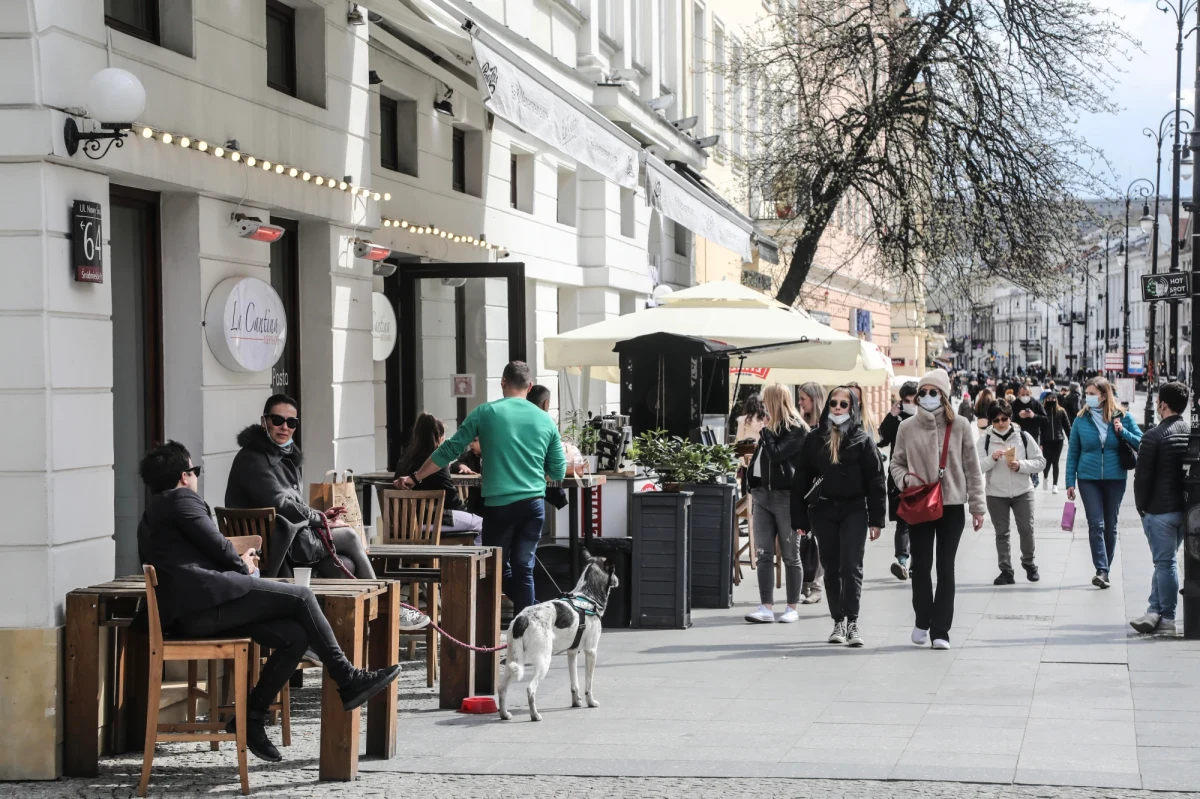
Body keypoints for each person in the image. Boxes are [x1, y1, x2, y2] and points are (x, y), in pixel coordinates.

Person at [137, 441, 402, 763]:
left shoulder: (154, 511)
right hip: (205, 609)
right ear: (183, 476)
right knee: (303, 596)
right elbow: (219, 549)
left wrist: (237, 562)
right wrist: (245, 565)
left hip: (195, 610)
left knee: (295, 635)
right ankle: (347, 679)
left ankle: (251, 717)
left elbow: (200, 553)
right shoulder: (183, 500)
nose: (195, 478)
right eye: (194, 471)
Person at [398, 361, 566, 616]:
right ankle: (529, 630)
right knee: (525, 568)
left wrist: (416, 477)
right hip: (533, 504)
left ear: (503, 383)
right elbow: (558, 472)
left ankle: (510, 624)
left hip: (499, 506)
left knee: (496, 566)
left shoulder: (485, 412)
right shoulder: (545, 420)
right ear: (530, 387)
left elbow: (449, 450)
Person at [226, 395, 378, 582]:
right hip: (275, 546)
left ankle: (334, 610)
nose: (285, 427)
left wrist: (320, 516)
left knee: (344, 565)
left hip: (289, 540)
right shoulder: (252, 459)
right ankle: (386, 603)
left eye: (291, 422)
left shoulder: (285, 456)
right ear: (264, 421)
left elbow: (291, 506)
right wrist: (320, 519)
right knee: (349, 535)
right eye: (278, 420)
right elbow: (281, 504)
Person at [890, 369, 986, 651]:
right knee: (920, 567)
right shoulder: (906, 427)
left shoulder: (960, 425)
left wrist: (978, 507)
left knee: (946, 567)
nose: (928, 397)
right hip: (920, 503)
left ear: (944, 395)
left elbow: (973, 468)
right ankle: (922, 620)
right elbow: (896, 463)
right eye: (923, 392)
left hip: (952, 504)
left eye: (934, 392)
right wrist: (906, 479)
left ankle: (941, 630)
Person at [792, 387, 887, 647]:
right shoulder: (815, 438)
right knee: (832, 568)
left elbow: (876, 481)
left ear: (852, 407)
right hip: (824, 511)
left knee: (851, 566)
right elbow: (801, 479)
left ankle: (853, 622)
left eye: (843, 404)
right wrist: (799, 519)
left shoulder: (862, 439)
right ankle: (838, 622)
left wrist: (876, 519)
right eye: (833, 403)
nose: (837, 407)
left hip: (855, 509)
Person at [1064, 376, 1142, 588]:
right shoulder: (1081, 420)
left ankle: (1104, 569)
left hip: (1115, 477)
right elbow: (1073, 453)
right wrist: (1070, 481)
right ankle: (1101, 569)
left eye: (1092, 394)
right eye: (1086, 394)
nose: (1087, 398)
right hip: (1088, 478)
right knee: (1096, 524)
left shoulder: (1123, 417)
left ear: (1104, 395)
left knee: (1111, 525)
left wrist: (1122, 431)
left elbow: (1142, 442)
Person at [743, 384, 810, 623]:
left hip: (786, 497)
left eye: (765, 401)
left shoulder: (797, 428)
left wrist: (766, 434)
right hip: (762, 496)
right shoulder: (770, 427)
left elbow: (778, 454)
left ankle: (792, 607)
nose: (763, 406)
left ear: (775, 401)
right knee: (763, 554)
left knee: (791, 555)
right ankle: (766, 606)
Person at [1131, 382, 1191, 635]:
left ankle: (1167, 618)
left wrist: (1141, 508)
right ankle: (1153, 610)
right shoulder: (1189, 432)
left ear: (1162, 404)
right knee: (1163, 562)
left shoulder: (1153, 436)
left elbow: (1142, 478)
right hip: (1184, 510)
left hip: (1159, 510)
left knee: (1165, 564)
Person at [978, 400, 1045, 585]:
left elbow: (1041, 462)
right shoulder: (985, 440)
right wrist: (991, 459)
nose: (1000, 423)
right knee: (1002, 533)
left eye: (1004, 419)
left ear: (1010, 418)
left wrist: (1021, 465)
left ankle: (1029, 562)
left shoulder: (1023, 436)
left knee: (1027, 529)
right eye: (996, 420)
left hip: (1023, 491)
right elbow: (977, 467)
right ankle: (1006, 570)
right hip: (996, 494)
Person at [393, 413, 484, 541]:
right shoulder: (437, 461)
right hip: (432, 519)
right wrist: (465, 511)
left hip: (404, 522)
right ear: (440, 438)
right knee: (482, 524)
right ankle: (470, 560)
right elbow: (451, 498)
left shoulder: (405, 457)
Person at [878, 381, 918, 580]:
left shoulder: (924, 417)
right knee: (903, 519)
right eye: (906, 400)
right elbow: (883, 439)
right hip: (899, 474)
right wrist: (891, 416)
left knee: (919, 521)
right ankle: (902, 562)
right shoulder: (897, 418)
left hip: (921, 475)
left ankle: (915, 563)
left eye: (913, 399)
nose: (910, 403)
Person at [793, 381, 827, 599]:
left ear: (814, 400)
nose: (799, 403)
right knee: (805, 538)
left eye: (803, 399)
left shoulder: (826, 427)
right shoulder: (800, 425)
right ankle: (806, 583)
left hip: (822, 490)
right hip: (803, 488)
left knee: (819, 540)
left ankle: (816, 585)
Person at [1040, 393, 1071, 494]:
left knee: (1055, 462)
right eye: (1049, 398)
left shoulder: (1061, 411)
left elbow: (1067, 426)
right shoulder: (1043, 411)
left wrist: (1071, 440)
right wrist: (1040, 442)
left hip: (1058, 440)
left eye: (1053, 398)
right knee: (1047, 462)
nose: (1051, 400)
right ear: (1046, 399)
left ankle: (1055, 485)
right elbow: (1040, 428)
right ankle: (1045, 478)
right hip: (1046, 441)